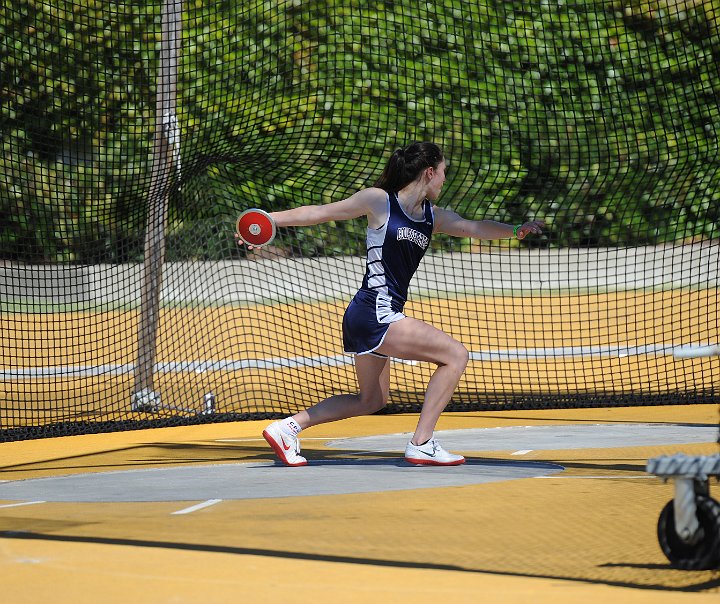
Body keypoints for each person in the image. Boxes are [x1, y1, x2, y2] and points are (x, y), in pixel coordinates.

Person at [242, 142, 544, 467]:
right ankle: (422, 443)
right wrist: (268, 219)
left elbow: (473, 228)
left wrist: (515, 230)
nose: (444, 180)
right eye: (443, 173)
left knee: (371, 399)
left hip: (372, 315)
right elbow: (320, 212)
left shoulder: (433, 217)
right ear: (430, 172)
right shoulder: (379, 201)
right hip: (375, 312)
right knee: (456, 355)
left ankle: (287, 428)